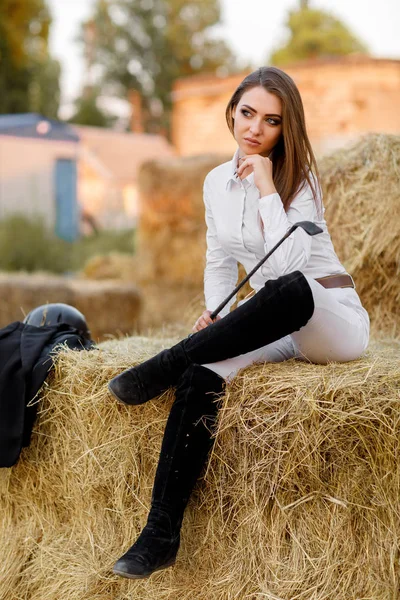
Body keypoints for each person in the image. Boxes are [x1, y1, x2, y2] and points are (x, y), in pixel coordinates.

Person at [108, 66, 370, 579]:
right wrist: (218, 314)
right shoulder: (215, 183)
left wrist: (270, 186)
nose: (254, 128)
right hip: (271, 323)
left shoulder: (299, 180)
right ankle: (159, 534)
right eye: (247, 113)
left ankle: (166, 361)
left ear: (285, 128)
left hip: (329, 319)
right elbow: (218, 258)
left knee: (288, 289)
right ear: (232, 112)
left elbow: (290, 268)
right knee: (203, 371)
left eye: (271, 121)